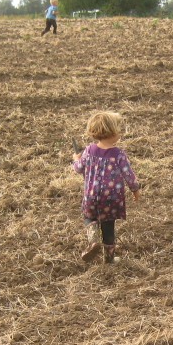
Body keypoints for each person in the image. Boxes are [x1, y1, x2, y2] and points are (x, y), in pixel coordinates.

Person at [72, 111, 142, 264]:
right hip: (111, 200)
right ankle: (109, 259)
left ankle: (93, 240)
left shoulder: (89, 151)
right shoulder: (118, 154)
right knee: (108, 227)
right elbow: (129, 175)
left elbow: (78, 169)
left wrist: (76, 159)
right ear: (112, 132)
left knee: (89, 218)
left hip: (91, 196)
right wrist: (135, 189)